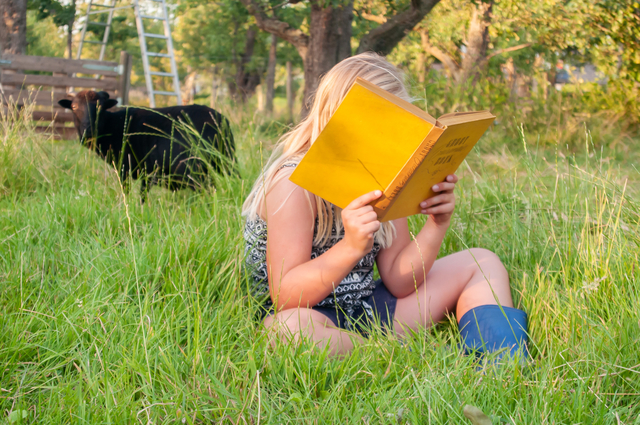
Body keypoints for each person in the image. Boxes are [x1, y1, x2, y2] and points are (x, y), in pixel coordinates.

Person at [242, 52, 528, 360]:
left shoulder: (385, 173)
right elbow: (287, 297)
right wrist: (351, 247)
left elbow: (399, 280)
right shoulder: (293, 184)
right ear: (335, 120)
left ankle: (499, 360)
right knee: (285, 332)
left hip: (368, 309)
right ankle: (404, 358)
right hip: (310, 316)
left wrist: (436, 225)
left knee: (481, 262)